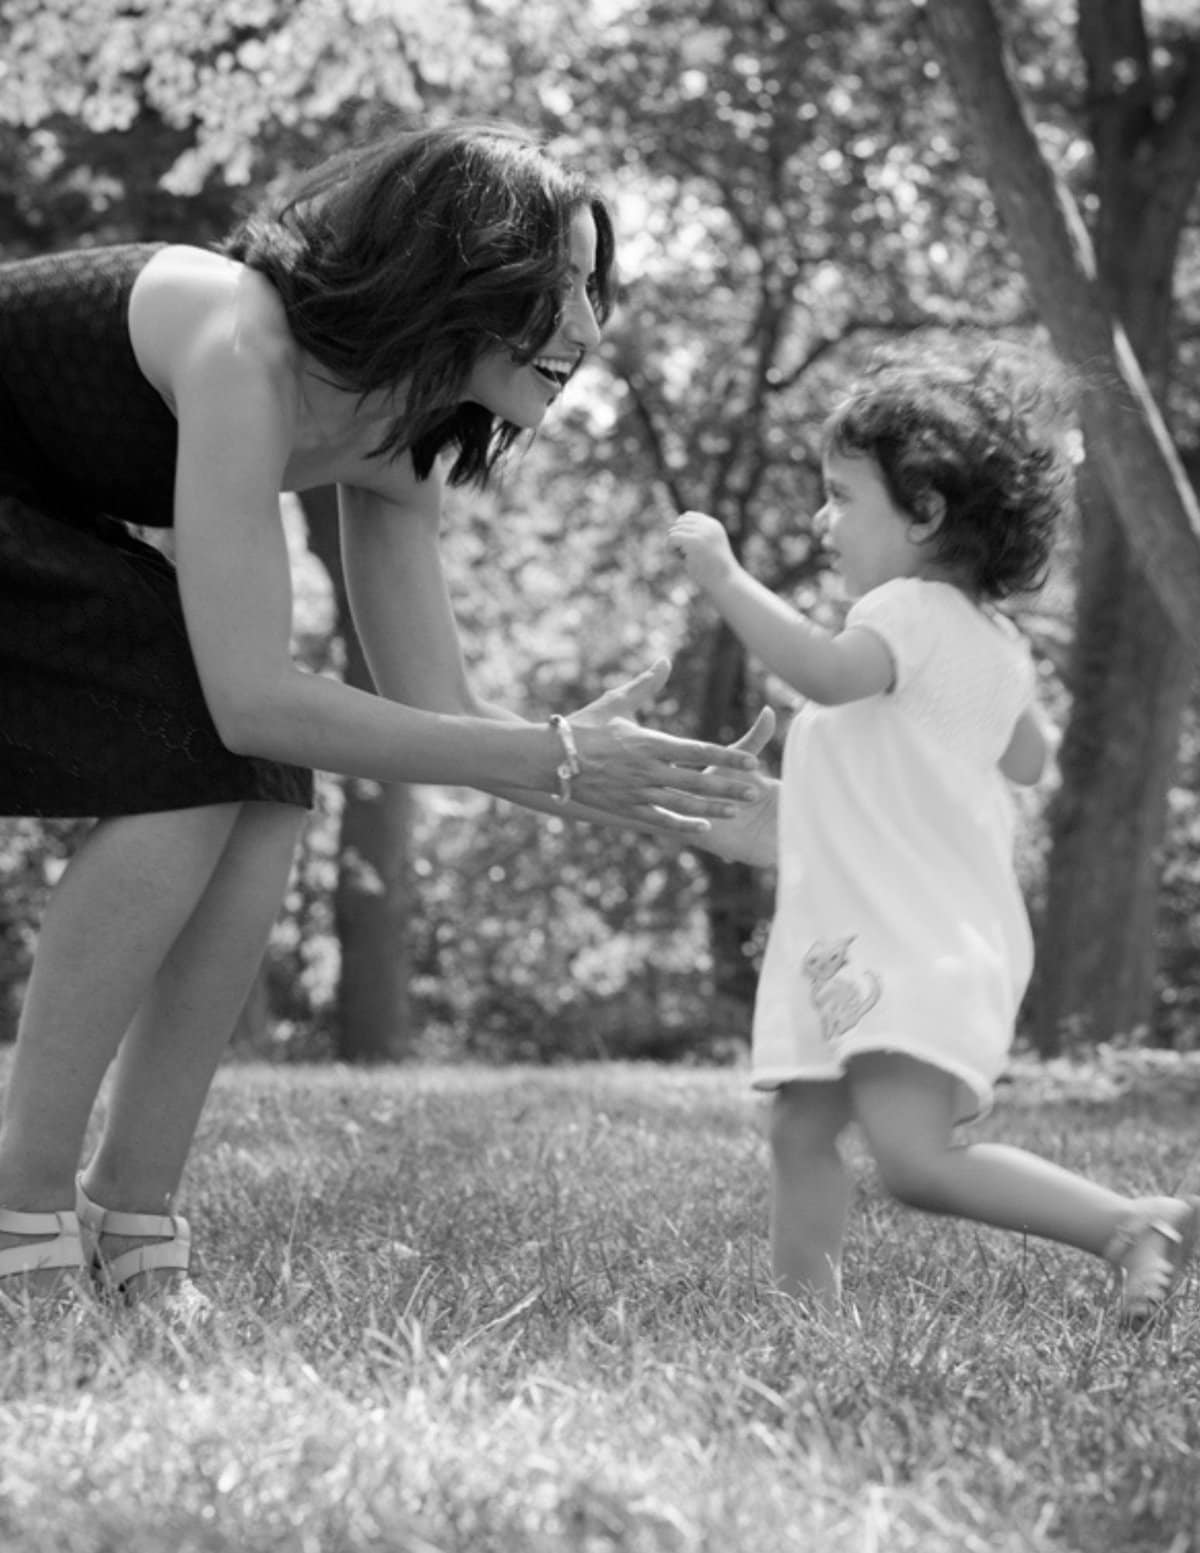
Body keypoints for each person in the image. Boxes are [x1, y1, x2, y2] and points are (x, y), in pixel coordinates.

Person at [0, 121, 768, 1309]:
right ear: (450, 271)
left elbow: (436, 713)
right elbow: (255, 696)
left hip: (44, 514)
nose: (587, 327)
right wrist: (559, 756)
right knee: (204, 739)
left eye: (593, 287)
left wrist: (648, 793)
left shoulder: (399, 438)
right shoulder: (241, 345)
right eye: (555, 286)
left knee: (260, 784)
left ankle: (130, 1215)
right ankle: (21, 1211)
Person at [669, 347, 1198, 1324]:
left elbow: (827, 676)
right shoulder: (990, 639)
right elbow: (1026, 757)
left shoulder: (901, 611)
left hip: (899, 941)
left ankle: (1128, 1220)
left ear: (924, 513)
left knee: (912, 1158)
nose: (823, 522)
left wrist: (724, 574)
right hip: (896, 934)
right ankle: (805, 1324)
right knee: (802, 1125)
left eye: (840, 496)